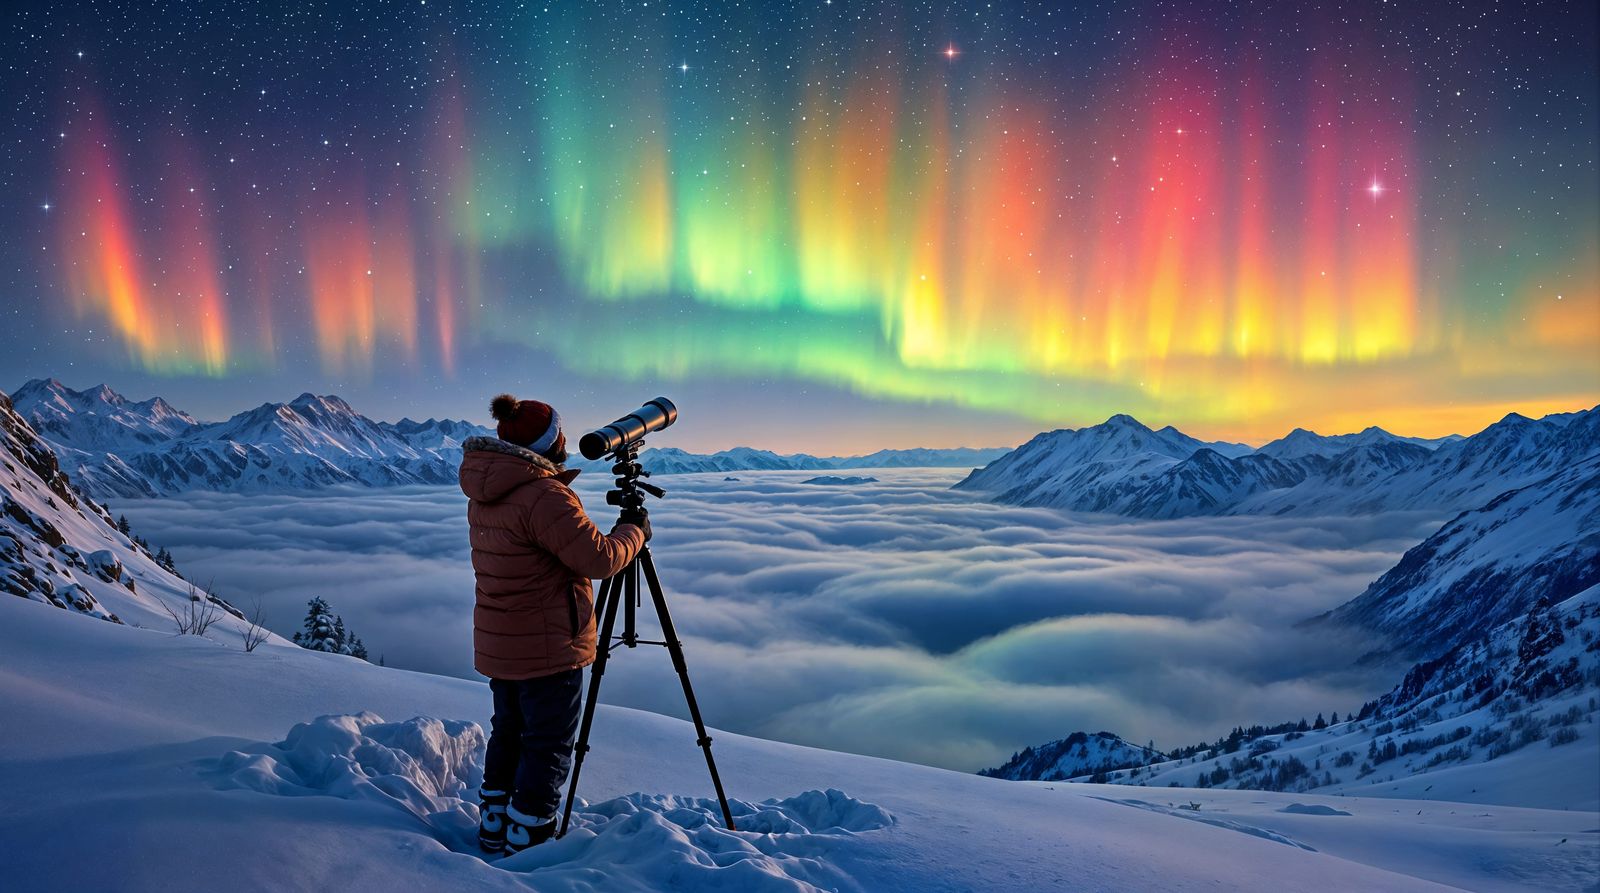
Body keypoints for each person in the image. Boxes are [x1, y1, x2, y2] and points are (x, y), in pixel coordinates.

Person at [459, 394, 647, 854]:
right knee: (548, 742)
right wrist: (635, 531)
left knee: (509, 732)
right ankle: (528, 837)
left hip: (503, 642)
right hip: (548, 645)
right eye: (559, 433)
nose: (565, 440)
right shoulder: (543, 495)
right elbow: (599, 560)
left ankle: (494, 822)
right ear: (548, 442)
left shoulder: (487, 491)